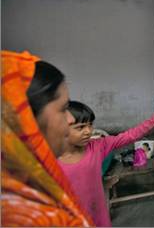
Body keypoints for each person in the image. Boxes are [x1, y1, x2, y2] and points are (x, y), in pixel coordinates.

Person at [1, 50, 93, 226]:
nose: (70, 119)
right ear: (25, 120)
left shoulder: (27, 187)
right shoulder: (34, 219)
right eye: (62, 108)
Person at [58, 98, 154, 226]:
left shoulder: (98, 146)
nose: (88, 131)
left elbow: (129, 136)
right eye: (80, 127)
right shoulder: (49, 159)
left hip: (98, 216)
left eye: (90, 125)